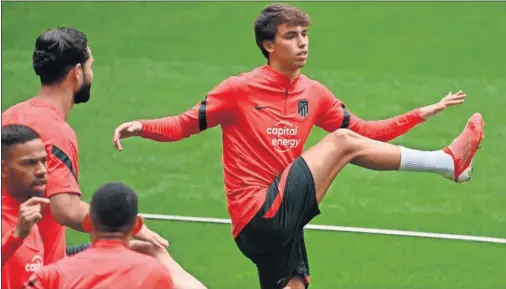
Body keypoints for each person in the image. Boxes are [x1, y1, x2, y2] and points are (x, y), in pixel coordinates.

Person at [112, 4, 485, 289]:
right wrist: (141, 126)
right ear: (268, 44)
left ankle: (448, 164)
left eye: (305, 34)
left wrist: (419, 114)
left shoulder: (315, 93)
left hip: (284, 218)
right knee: (339, 143)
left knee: (295, 285)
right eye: (291, 35)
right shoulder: (238, 90)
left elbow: (365, 133)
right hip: (258, 216)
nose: (302, 42)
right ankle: (446, 163)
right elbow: (184, 124)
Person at [2, 27, 206, 289]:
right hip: (41, 267)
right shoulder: (55, 130)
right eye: (90, 66)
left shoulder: (11, 115)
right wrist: (128, 227)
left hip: (14, 254)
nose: (91, 74)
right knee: (149, 251)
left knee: (143, 251)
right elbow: (66, 210)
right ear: (77, 73)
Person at [23, 182, 174, 289]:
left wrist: (16, 237)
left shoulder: (51, 275)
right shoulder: (155, 274)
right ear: (137, 225)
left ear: (88, 222)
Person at [2, 124, 49, 289]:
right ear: (3, 169)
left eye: (44, 161)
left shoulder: (26, 214)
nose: (42, 170)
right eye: (30, 163)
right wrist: (16, 236)